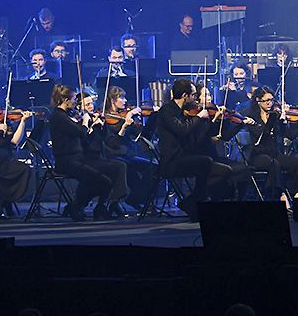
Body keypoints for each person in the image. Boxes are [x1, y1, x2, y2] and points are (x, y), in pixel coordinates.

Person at [155, 79, 239, 216]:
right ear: (185, 96)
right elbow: (181, 129)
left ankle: (193, 201)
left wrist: (212, 120)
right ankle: (196, 202)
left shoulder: (186, 112)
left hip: (186, 157)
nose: (195, 99)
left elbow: (197, 138)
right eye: (193, 95)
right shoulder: (167, 110)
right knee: (205, 162)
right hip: (172, 161)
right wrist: (199, 117)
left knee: (224, 170)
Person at [47, 84, 125, 221]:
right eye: (73, 99)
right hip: (68, 161)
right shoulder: (58, 117)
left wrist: (96, 125)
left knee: (110, 172)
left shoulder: (67, 115)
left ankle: (96, 206)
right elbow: (81, 133)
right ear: (66, 100)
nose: (74, 102)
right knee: (103, 180)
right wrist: (85, 122)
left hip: (79, 159)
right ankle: (78, 206)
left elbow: (94, 137)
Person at [241, 86, 298, 199]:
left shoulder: (276, 115)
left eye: (271, 100)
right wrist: (272, 121)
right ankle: (280, 195)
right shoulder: (251, 116)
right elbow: (260, 134)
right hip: (257, 155)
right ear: (258, 100)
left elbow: (291, 135)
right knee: (274, 164)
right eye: (266, 100)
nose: (269, 103)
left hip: (274, 153)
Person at [99, 85, 154, 213]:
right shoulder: (106, 119)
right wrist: (124, 126)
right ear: (113, 100)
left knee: (153, 167)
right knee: (129, 171)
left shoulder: (125, 116)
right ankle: (120, 201)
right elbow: (113, 144)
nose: (125, 101)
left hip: (127, 156)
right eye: (122, 98)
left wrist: (141, 123)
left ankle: (136, 198)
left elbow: (140, 135)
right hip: (112, 156)